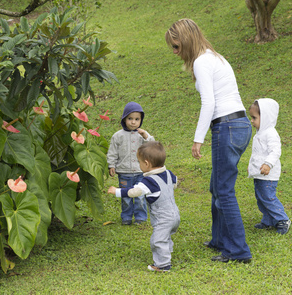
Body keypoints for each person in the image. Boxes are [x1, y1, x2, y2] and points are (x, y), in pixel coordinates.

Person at [165, 18, 252, 263]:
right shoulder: (215, 57)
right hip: (240, 125)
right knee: (217, 186)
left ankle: (238, 251)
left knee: (224, 191)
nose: (175, 53)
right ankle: (219, 240)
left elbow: (209, 103)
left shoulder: (202, 61)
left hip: (226, 127)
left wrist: (198, 140)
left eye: (175, 46)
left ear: (185, 40)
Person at [108, 141, 180, 272]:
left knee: (157, 240)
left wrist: (116, 191)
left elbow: (133, 192)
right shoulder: (169, 174)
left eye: (139, 162)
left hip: (163, 218)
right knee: (166, 235)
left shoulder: (148, 181)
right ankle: (167, 252)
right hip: (175, 215)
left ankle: (163, 265)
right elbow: (175, 183)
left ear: (146, 164)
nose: (139, 165)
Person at [107, 102, 154, 225]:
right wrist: (111, 165)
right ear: (124, 119)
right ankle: (126, 217)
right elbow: (112, 152)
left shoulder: (142, 136)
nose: (133, 122)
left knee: (139, 196)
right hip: (124, 172)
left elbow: (152, 146)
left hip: (140, 172)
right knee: (126, 197)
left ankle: (140, 218)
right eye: (130, 118)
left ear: (141, 120)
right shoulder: (117, 136)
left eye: (137, 119)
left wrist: (146, 136)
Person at [248, 98, 291, 234]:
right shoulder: (260, 133)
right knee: (260, 197)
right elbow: (257, 153)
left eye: (254, 118)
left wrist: (268, 164)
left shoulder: (271, 133)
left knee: (268, 197)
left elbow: (275, 151)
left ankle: (282, 219)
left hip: (268, 174)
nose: (252, 121)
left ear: (265, 117)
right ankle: (268, 220)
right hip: (259, 173)